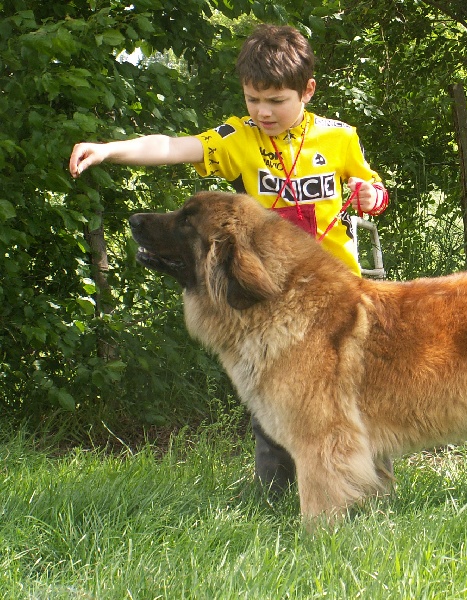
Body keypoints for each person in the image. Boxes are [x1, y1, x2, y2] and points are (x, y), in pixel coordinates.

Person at [69, 23, 390, 494]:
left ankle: (370, 488)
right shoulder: (237, 137)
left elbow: (375, 190)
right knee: (274, 390)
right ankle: (276, 492)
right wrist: (111, 149)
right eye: (252, 99)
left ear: (307, 91)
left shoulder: (339, 138)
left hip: (334, 292)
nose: (263, 112)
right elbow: (173, 146)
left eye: (276, 101)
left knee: (353, 393)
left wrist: (368, 197)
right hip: (269, 291)